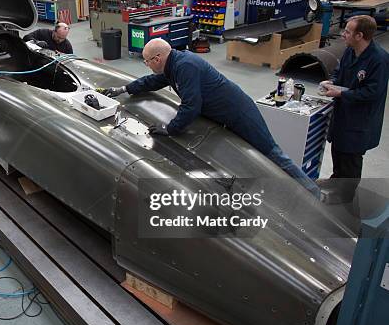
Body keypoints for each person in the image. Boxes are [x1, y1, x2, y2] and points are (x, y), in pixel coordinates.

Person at [102, 38, 320, 196]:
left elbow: (191, 106)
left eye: (147, 61)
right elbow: (151, 82)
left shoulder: (185, 66)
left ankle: (313, 192)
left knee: (271, 152)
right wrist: (123, 89)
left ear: (157, 59)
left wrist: (170, 129)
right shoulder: (173, 66)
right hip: (223, 115)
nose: (147, 65)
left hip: (239, 113)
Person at [320, 15, 388, 185]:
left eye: (348, 32)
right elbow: (339, 71)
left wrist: (342, 94)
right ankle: (335, 181)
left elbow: (372, 92)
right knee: (338, 149)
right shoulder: (350, 50)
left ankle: (346, 198)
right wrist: (333, 82)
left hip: (360, 119)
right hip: (343, 113)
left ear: (360, 36)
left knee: (350, 158)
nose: (343, 34)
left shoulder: (379, 60)